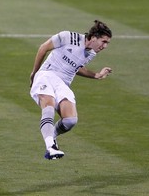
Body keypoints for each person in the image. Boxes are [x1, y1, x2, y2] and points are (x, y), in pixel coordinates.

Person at [30, 20, 112, 160]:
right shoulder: (67, 37)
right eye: (103, 42)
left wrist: (96, 75)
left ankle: (52, 136)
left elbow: (77, 67)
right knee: (48, 106)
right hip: (46, 75)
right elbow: (43, 48)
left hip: (62, 84)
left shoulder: (91, 53)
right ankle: (50, 147)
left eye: (107, 43)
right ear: (93, 38)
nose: (104, 46)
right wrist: (34, 73)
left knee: (70, 120)